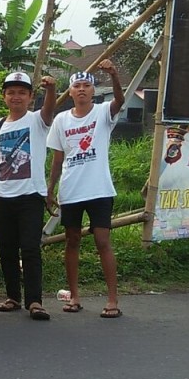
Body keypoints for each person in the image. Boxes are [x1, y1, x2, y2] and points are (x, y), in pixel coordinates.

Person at [47, 60, 125, 319]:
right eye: (77, 86)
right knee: (72, 241)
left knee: (102, 241)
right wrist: (50, 190)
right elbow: (57, 159)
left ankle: (113, 299)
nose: (81, 90)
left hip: (100, 189)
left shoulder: (103, 113)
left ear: (93, 90)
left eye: (86, 86)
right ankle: (74, 296)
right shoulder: (61, 120)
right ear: (70, 92)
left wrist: (113, 75)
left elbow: (120, 101)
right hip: (71, 190)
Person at [0, 72, 57, 321]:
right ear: (4, 97)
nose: (16, 97)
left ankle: (35, 300)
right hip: (1, 195)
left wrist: (52, 90)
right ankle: (13, 296)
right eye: (11, 92)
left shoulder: (37, 121)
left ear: (30, 97)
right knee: (7, 249)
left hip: (30, 195)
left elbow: (49, 109)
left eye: (22, 92)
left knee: (31, 248)